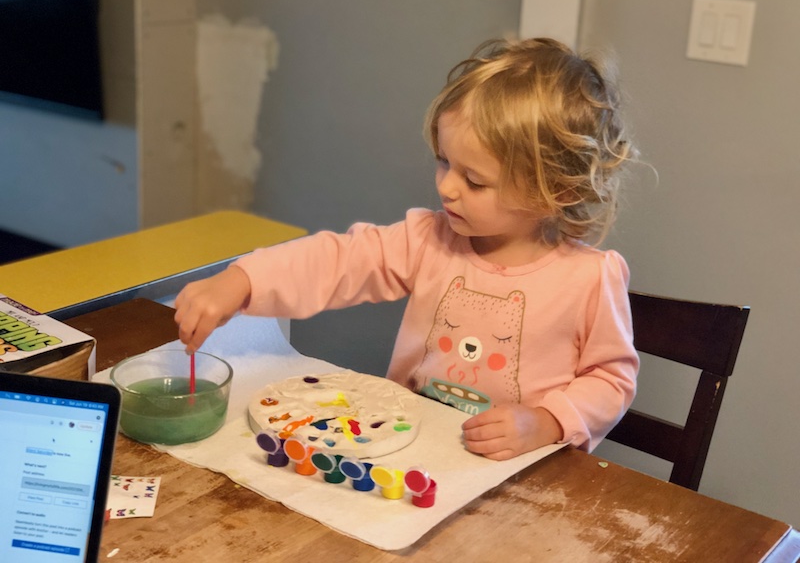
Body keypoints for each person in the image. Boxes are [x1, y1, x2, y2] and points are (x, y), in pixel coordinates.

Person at [174, 37, 639, 461]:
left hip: (519, 475)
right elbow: (339, 261)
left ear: (552, 190)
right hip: (416, 456)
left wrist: (547, 421)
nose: (447, 188)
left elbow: (611, 381)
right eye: (443, 162)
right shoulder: (428, 241)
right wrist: (244, 279)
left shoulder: (591, 279)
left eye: (474, 180)